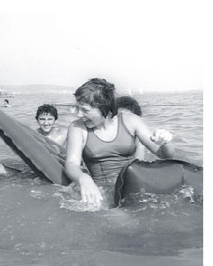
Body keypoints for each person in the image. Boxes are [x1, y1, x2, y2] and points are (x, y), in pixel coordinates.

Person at [65, 78, 174, 207]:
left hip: (136, 188)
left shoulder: (131, 121)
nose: (79, 114)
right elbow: (71, 164)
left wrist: (166, 142)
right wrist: (84, 179)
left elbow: (165, 155)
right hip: (103, 193)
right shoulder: (77, 127)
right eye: (77, 108)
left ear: (103, 107)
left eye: (85, 110)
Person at [116, 96, 145, 160]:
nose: (123, 120)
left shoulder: (138, 138)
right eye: (119, 117)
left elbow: (139, 163)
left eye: (128, 118)